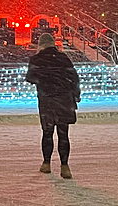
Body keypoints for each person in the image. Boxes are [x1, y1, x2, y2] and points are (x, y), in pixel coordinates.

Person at [25, 33, 80, 179]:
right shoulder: (63, 58)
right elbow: (74, 77)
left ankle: (46, 164)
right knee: (63, 134)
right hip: (64, 100)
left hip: (47, 100)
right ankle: (64, 166)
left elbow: (30, 77)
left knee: (47, 133)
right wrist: (75, 94)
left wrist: (44, 80)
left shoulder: (37, 59)